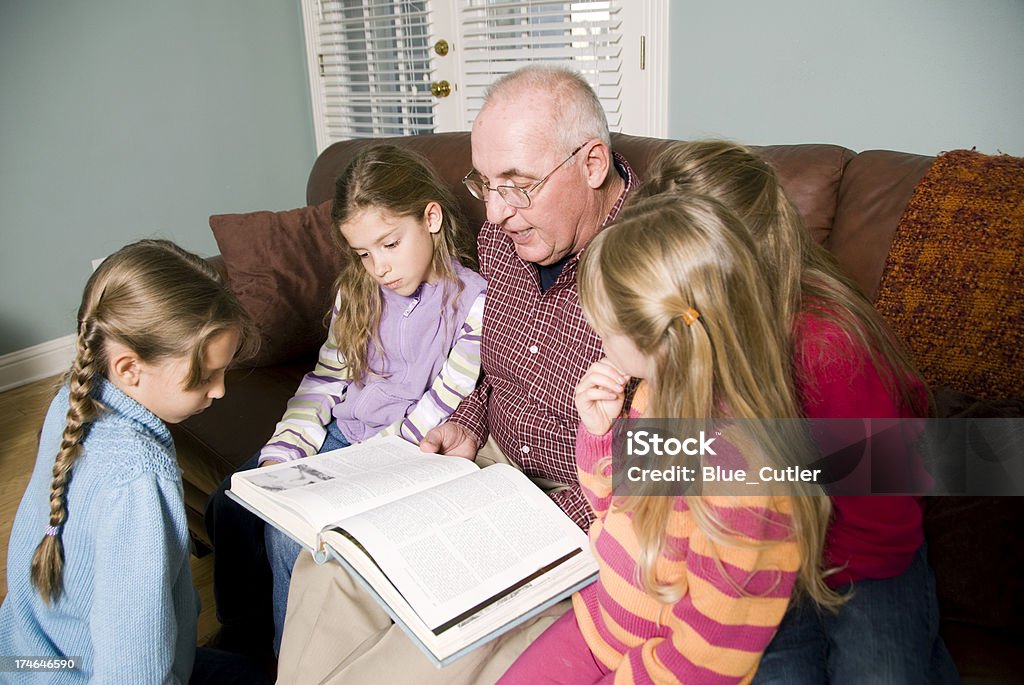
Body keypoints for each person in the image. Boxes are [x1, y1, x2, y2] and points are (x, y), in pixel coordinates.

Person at [276, 65, 637, 683]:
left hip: (585, 500)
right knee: (332, 565)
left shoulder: (658, 258)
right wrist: (464, 422)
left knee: (424, 649)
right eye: (485, 184)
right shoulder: (508, 238)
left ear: (593, 163)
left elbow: (689, 445)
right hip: (488, 465)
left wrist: (549, 522)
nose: (495, 214)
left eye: (518, 184)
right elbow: (492, 366)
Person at [633, 140, 959, 683]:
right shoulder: (692, 330)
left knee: (882, 670)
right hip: (766, 543)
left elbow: (884, 503)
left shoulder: (829, 348)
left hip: (863, 552)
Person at [499, 193, 841, 683]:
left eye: (603, 324)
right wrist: (600, 434)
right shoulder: (653, 398)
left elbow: (710, 656)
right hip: (600, 625)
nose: (595, 334)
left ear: (657, 339)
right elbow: (610, 510)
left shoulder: (744, 483)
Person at [203, 144, 486, 658]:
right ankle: (241, 639)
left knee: (289, 538)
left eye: (390, 244)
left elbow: (445, 402)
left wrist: (358, 471)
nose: (378, 266)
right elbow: (324, 380)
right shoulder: (357, 292)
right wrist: (281, 455)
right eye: (363, 253)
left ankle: (286, 659)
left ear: (431, 217)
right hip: (336, 435)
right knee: (233, 498)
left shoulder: (473, 301)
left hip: (389, 453)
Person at [0, 239, 268, 684]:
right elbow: (133, 671)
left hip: (26, 660)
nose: (220, 391)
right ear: (129, 369)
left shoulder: (73, 396)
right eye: (204, 377)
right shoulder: (137, 479)